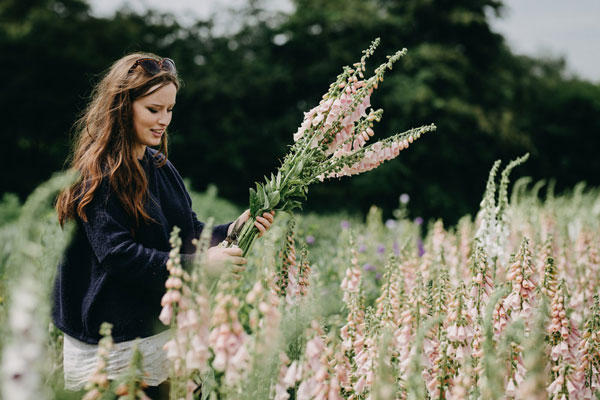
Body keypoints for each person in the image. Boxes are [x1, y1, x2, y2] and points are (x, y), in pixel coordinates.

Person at [52, 53, 274, 397]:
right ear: (123, 107)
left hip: (157, 329)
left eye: (169, 110)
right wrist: (200, 265)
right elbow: (117, 255)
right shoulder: (99, 173)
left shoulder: (159, 165)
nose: (163, 120)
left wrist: (234, 229)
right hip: (111, 340)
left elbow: (186, 233)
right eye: (153, 110)